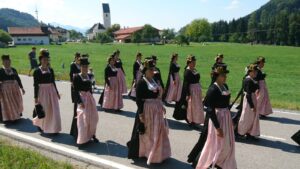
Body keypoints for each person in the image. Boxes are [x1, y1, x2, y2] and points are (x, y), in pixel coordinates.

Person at [190, 64, 237, 169]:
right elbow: (210, 110)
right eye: (223, 75)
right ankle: (202, 163)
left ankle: (221, 163)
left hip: (225, 118)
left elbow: (226, 105)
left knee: (226, 144)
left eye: (225, 75)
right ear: (217, 76)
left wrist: (230, 121)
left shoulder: (225, 86)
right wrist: (217, 127)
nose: (225, 77)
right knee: (214, 145)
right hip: (217, 119)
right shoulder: (213, 89)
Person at [127, 58, 171, 165]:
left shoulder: (153, 80)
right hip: (147, 112)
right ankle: (148, 153)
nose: (153, 71)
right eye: (151, 69)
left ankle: (158, 153)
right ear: (145, 70)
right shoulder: (142, 83)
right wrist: (141, 114)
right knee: (149, 133)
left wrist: (161, 106)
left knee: (158, 131)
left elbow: (157, 97)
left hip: (156, 111)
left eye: (153, 69)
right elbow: (139, 100)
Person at [32, 49, 61, 134]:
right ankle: (41, 126)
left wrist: (57, 93)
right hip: (42, 92)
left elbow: (53, 82)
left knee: (53, 110)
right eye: (44, 59)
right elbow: (36, 85)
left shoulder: (50, 70)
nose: (46, 61)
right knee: (44, 110)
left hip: (51, 92)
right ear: (40, 60)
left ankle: (53, 127)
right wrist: (36, 97)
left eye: (47, 59)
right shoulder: (37, 71)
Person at [73, 56, 99, 145]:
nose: (85, 68)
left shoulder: (89, 76)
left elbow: (90, 88)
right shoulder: (77, 77)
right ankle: (83, 138)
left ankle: (91, 134)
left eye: (86, 66)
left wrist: (92, 98)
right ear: (80, 67)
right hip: (82, 99)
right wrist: (80, 102)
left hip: (89, 99)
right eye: (83, 66)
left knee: (93, 118)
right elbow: (75, 91)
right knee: (82, 119)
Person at [173, 55, 204, 126]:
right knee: (192, 107)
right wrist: (187, 94)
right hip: (192, 91)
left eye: (195, 62)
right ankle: (192, 120)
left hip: (196, 91)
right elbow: (186, 84)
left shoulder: (194, 70)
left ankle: (196, 119)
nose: (194, 63)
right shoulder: (187, 72)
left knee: (197, 106)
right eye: (193, 62)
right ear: (189, 63)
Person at [238, 64, 260, 140]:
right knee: (246, 117)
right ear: (249, 72)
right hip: (249, 100)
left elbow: (256, 88)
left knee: (252, 118)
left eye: (256, 72)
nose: (255, 73)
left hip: (253, 98)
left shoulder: (253, 79)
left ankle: (250, 132)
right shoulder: (248, 80)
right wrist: (251, 106)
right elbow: (248, 94)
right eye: (253, 72)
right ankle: (240, 133)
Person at [0, 55, 25, 122]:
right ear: (2, 62)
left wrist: (22, 87)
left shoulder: (13, 69)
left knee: (16, 102)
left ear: (10, 62)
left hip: (14, 89)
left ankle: (16, 115)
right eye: (5, 62)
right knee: (9, 104)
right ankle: (11, 118)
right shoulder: (1, 70)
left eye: (8, 62)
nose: (7, 63)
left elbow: (18, 79)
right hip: (5, 90)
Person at [70, 52, 81, 138]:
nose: (78, 59)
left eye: (79, 57)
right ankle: (75, 99)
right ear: (75, 57)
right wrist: (72, 82)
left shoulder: (81, 64)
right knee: (75, 93)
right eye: (77, 57)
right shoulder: (73, 65)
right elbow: (71, 73)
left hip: (80, 80)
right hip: (75, 80)